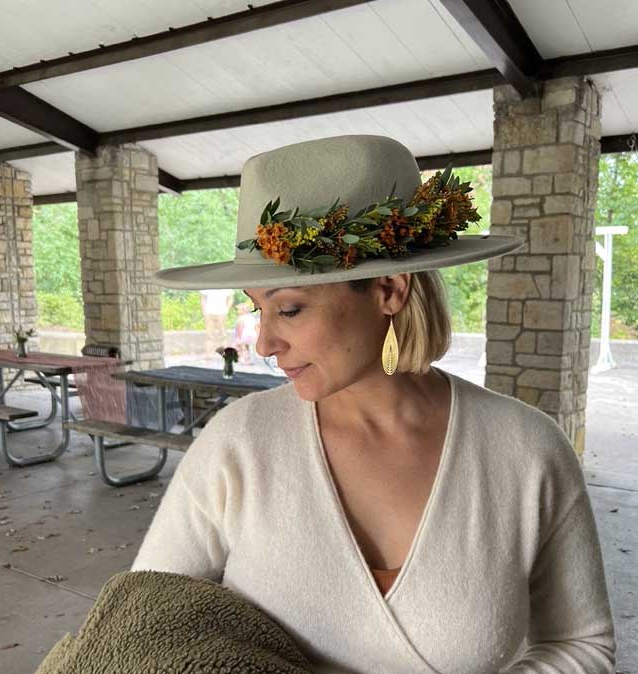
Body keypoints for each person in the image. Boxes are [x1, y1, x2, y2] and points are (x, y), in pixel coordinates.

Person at [132, 135, 616, 674]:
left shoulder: (526, 451)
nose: (264, 344)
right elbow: (144, 628)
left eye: (289, 309)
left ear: (389, 290)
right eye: (258, 311)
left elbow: (581, 645)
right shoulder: (236, 445)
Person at [200, 288, 234, 360]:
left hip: (222, 313)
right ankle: (208, 355)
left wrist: (226, 311)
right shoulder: (207, 284)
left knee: (223, 334)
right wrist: (204, 312)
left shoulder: (226, 284)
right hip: (209, 313)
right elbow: (202, 299)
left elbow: (231, 298)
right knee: (209, 334)